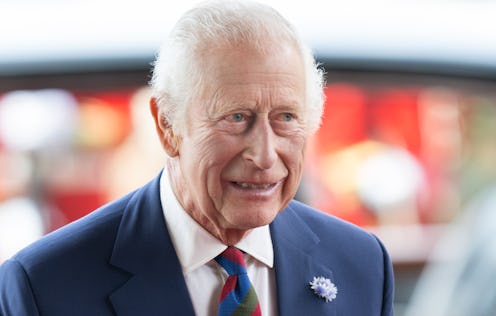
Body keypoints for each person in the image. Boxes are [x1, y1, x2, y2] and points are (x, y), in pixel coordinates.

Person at [0, 1, 394, 315]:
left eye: (286, 118)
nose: (264, 153)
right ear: (167, 125)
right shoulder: (45, 286)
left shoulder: (362, 264)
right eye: (236, 118)